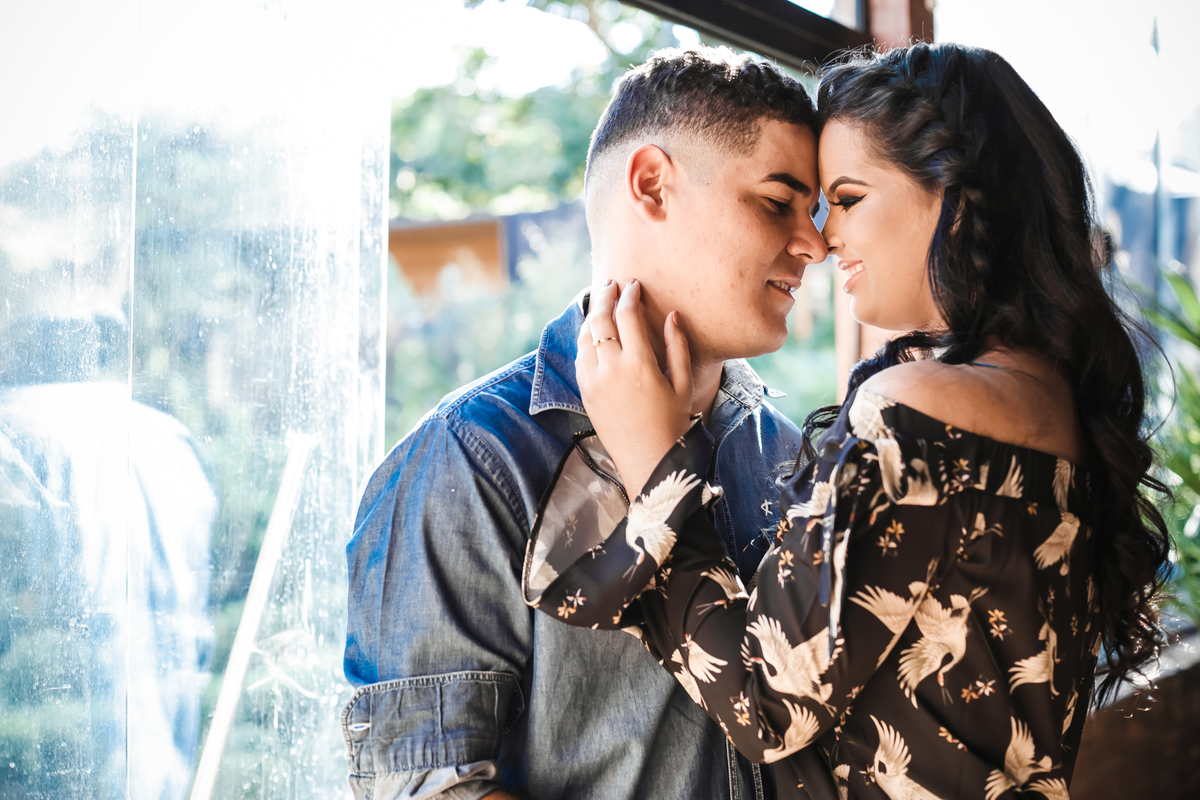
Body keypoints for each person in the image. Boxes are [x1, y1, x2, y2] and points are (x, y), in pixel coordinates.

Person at [525, 43, 1170, 799]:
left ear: (958, 199)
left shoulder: (920, 409)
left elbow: (768, 704)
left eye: (850, 199)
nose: (825, 241)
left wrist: (654, 466)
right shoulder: (1048, 399)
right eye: (797, 204)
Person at [342, 46, 829, 800]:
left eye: (819, 211)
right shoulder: (472, 463)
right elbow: (432, 789)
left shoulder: (792, 459)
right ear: (652, 184)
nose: (817, 245)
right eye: (777, 202)